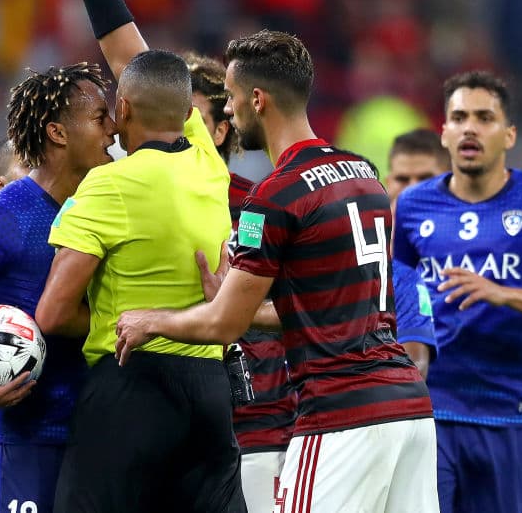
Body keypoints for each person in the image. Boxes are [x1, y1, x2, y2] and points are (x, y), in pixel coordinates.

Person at [116, 29, 439, 513]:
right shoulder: (365, 175)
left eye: (231, 98)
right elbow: (328, 309)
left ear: (258, 99)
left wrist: (151, 320)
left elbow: (222, 325)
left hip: (341, 415)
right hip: (409, 412)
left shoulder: (274, 195)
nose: (227, 110)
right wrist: (240, 303)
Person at [34, 0, 244, 513]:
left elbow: (49, 314)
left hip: (130, 389)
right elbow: (137, 60)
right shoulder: (207, 159)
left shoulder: (106, 186)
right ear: (188, 113)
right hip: (209, 392)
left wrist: (106, 316)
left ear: (121, 111)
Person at [391, 71, 522, 513]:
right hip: (431, 415)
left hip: (506, 415)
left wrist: (502, 293)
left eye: (485, 117)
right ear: (445, 134)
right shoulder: (412, 209)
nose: (470, 127)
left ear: (509, 134)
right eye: (459, 117)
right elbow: (400, 293)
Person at [0, 62, 117, 513]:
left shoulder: (105, 207)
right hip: (19, 443)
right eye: (99, 118)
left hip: (96, 438)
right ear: (57, 133)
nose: (114, 129)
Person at [187, 52, 297, 512]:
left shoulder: (257, 208)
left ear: (220, 130)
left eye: (190, 122)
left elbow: (293, 309)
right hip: (176, 430)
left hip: (258, 429)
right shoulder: (132, 205)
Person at [385, 128, 448, 378]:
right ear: (389, 182)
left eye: (424, 178)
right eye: (402, 179)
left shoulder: (467, 248)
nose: (412, 189)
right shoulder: (362, 237)